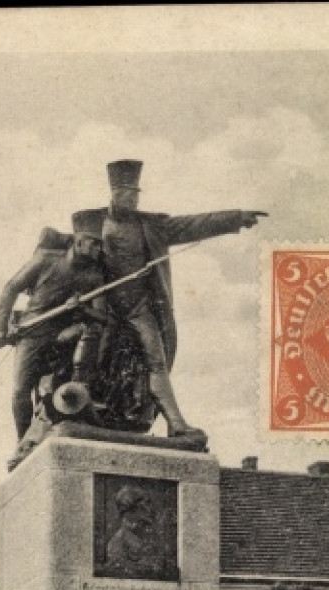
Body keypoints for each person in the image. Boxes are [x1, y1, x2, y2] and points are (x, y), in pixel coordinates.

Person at [90, 159, 265, 441]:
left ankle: (176, 423)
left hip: (139, 308)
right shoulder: (90, 223)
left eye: (136, 194)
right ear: (115, 194)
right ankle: (84, 411)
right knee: (93, 358)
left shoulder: (152, 225)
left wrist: (235, 217)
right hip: (104, 308)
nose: (134, 199)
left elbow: (193, 225)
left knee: (156, 362)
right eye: (128, 194)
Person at [0, 210, 107, 445]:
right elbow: (10, 288)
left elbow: (102, 317)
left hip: (61, 335)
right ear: (79, 241)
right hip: (31, 334)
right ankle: (23, 442)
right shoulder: (45, 260)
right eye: (94, 244)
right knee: (19, 392)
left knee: (88, 330)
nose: (99, 250)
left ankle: (78, 392)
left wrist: (82, 309)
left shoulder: (94, 275)